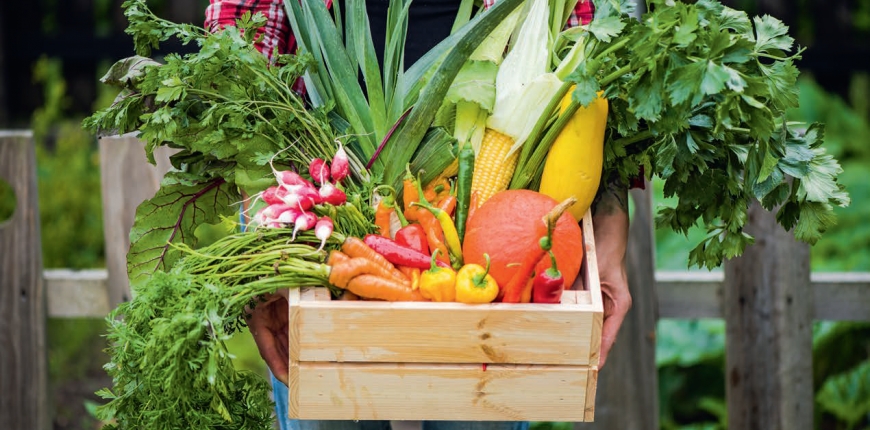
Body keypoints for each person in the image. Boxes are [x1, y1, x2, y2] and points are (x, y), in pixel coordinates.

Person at [205, 1, 631, 429]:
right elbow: (238, 36)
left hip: (503, 221)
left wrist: (609, 239)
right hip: (316, 195)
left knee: (481, 405)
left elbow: (594, 50)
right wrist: (268, 233)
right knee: (327, 395)